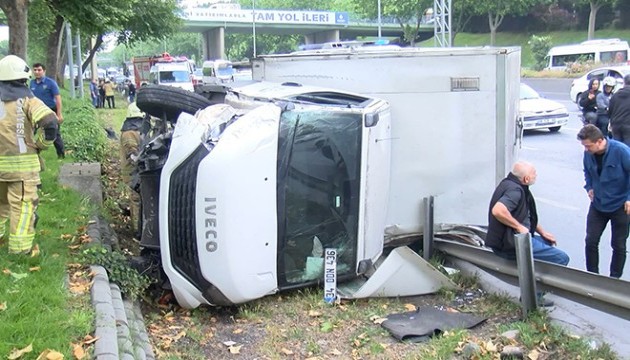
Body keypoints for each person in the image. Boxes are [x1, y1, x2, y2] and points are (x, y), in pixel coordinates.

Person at [486, 161, 570, 306]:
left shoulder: (510, 184)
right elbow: (498, 210)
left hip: (508, 238)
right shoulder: (515, 191)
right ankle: (533, 298)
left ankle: (533, 283)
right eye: (534, 173)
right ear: (526, 179)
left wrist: (543, 232)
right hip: (510, 243)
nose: (536, 175)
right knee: (561, 258)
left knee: (547, 244)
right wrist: (519, 227)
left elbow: (525, 215)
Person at [0, 55, 59, 254]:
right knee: (23, 207)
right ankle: (20, 251)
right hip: (21, 169)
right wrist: (41, 145)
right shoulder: (28, 100)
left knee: (0, 206)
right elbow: (50, 122)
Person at [577, 124, 630, 278]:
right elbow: (587, 171)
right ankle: (592, 276)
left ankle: (614, 279)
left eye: (588, 146)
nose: (586, 149)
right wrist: (589, 187)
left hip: (620, 205)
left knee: (618, 245)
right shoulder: (588, 154)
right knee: (591, 240)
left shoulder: (620, 151)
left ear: (600, 141)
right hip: (598, 204)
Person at [30, 63, 65, 159]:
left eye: (39, 70)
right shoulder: (31, 83)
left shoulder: (50, 83)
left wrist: (59, 114)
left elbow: (58, 98)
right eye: (35, 70)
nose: (37, 72)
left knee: (55, 133)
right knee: (30, 131)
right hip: (36, 111)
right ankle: (31, 153)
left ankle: (61, 154)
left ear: (44, 71)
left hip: (50, 111)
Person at [120, 103, 145, 237]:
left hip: (132, 172)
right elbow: (132, 152)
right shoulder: (138, 131)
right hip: (136, 171)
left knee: (136, 200)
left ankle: (138, 228)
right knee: (138, 199)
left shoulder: (128, 132)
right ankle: (138, 229)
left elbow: (131, 150)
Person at [608, 74, 630, 146]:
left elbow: (610, 110)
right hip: (628, 124)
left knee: (617, 147)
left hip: (616, 124)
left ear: (624, 83)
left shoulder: (615, 95)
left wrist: (611, 122)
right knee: (627, 149)